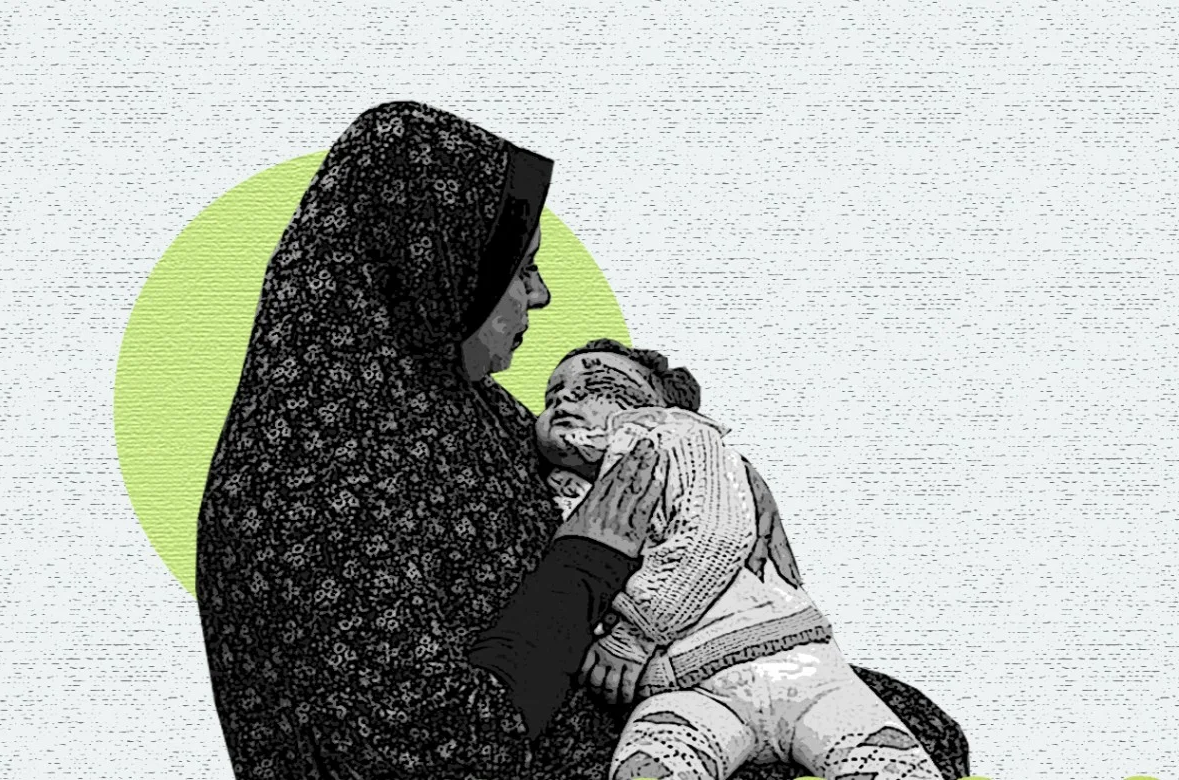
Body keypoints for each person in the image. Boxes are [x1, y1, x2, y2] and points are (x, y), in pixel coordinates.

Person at [195, 100, 969, 780]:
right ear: (432, 273)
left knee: (903, 721)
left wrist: (709, 469)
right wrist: (585, 564)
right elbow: (437, 750)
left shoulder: (444, 401)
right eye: (519, 269)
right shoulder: (305, 480)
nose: (540, 295)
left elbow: (595, 472)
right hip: (507, 751)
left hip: (589, 693)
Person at [537, 341, 942, 780]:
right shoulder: (563, 492)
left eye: (598, 386)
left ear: (660, 406)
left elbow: (714, 538)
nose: (565, 398)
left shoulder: (681, 438)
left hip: (794, 668)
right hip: (688, 693)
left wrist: (631, 637)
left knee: (891, 766)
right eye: (552, 395)